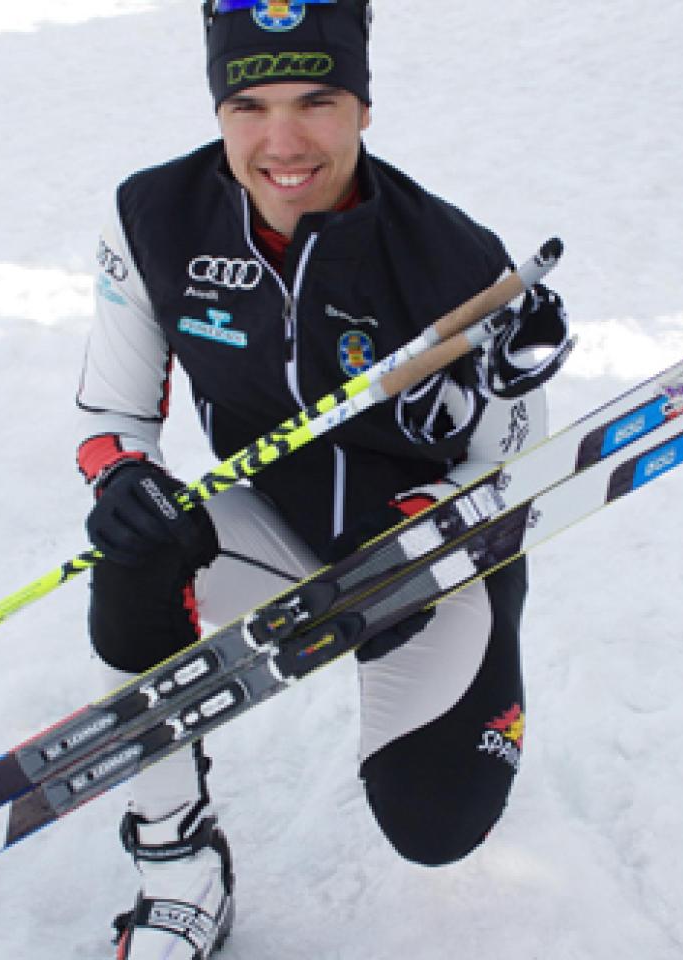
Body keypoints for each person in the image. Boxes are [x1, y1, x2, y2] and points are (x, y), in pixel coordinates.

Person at [75, 2, 569, 956]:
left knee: (436, 826)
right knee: (139, 556)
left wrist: (443, 516)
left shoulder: (452, 255)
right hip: (273, 529)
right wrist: (125, 482)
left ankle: (477, 663)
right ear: (218, 106)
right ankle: (179, 868)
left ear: (364, 106)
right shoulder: (152, 219)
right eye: (249, 104)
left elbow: (512, 472)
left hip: (428, 567)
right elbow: (114, 419)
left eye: (318, 99)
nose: (283, 141)